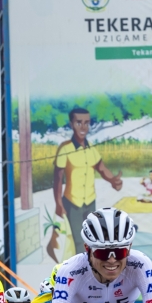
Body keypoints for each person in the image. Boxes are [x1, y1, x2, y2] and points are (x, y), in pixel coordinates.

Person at [53, 107, 123, 251]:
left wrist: (113, 180)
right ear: (71, 124)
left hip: (90, 202)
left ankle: (90, 265)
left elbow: (102, 168)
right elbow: (57, 179)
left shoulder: (91, 148)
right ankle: (82, 266)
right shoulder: (64, 149)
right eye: (79, 122)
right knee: (79, 242)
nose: (83, 127)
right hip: (73, 203)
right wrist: (59, 204)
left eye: (87, 123)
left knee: (91, 239)